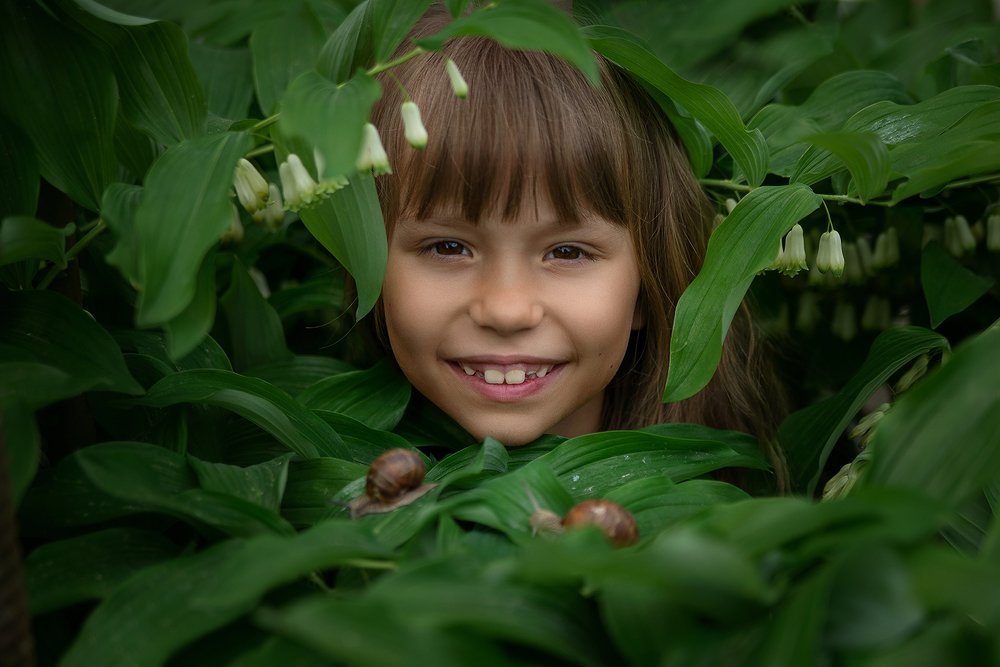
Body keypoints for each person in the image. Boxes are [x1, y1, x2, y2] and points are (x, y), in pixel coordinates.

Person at [367, 7, 788, 490]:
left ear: (648, 279)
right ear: (369, 263)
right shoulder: (310, 502)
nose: (507, 311)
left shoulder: (733, 518)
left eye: (567, 252)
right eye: (448, 246)